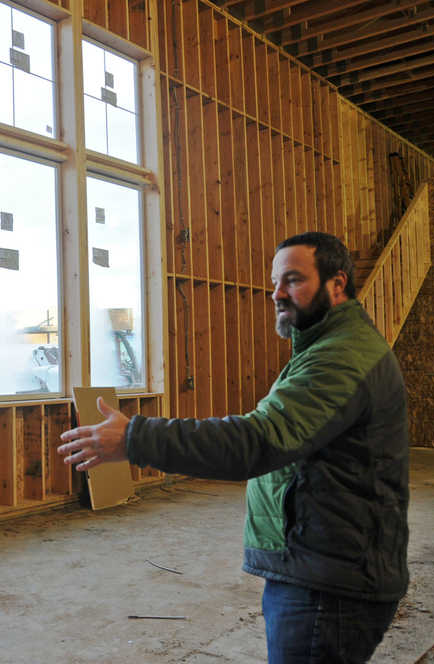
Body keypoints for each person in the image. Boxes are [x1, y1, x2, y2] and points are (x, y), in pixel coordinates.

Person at [58, 232, 409, 664]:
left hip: (329, 581)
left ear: (338, 284)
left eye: (294, 280)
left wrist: (136, 438)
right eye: (275, 282)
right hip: (320, 566)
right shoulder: (327, 348)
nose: (278, 293)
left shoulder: (341, 357)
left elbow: (258, 440)